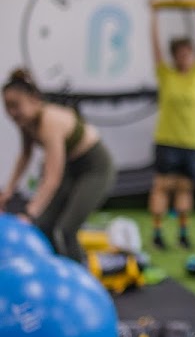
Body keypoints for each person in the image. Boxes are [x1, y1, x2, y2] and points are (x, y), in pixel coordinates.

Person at [0, 69, 116, 263]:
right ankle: (55, 268)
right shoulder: (26, 122)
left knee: (66, 230)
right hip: (71, 168)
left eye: (16, 105)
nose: (12, 113)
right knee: (44, 225)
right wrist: (8, 190)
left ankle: (81, 275)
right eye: (7, 106)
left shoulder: (49, 121)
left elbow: (52, 178)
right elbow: (25, 155)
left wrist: (29, 212)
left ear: (33, 100)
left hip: (95, 168)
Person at [148, 0, 195, 251]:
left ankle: (183, 234)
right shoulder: (166, 74)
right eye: (180, 54)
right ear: (174, 57)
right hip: (167, 140)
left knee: (185, 189)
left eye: (188, 54)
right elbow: (154, 45)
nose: (185, 58)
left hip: (191, 142)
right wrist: (155, 15)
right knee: (162, 187)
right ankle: (157, 234)